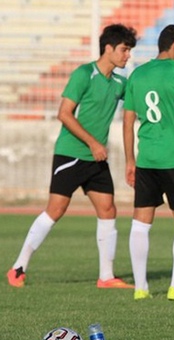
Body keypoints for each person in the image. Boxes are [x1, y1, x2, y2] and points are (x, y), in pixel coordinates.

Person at [6, 24, 138, 289]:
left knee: (108, 209)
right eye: (124, 50)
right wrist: (92, 142)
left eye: (130, 50)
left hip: (96, 159)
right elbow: (64, 113)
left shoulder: (120, 83)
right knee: (55, 210)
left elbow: (139, 100)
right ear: (109, 48)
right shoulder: (83, 74)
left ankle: (106, 276)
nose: (128, 56)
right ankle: (18, 268)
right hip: (71, 154)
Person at [122, 24, 174, 302]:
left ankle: (140, 287)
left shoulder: (137, 73)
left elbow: (128, 121)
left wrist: (130, 160)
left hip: (147, 158)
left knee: (141, 223)